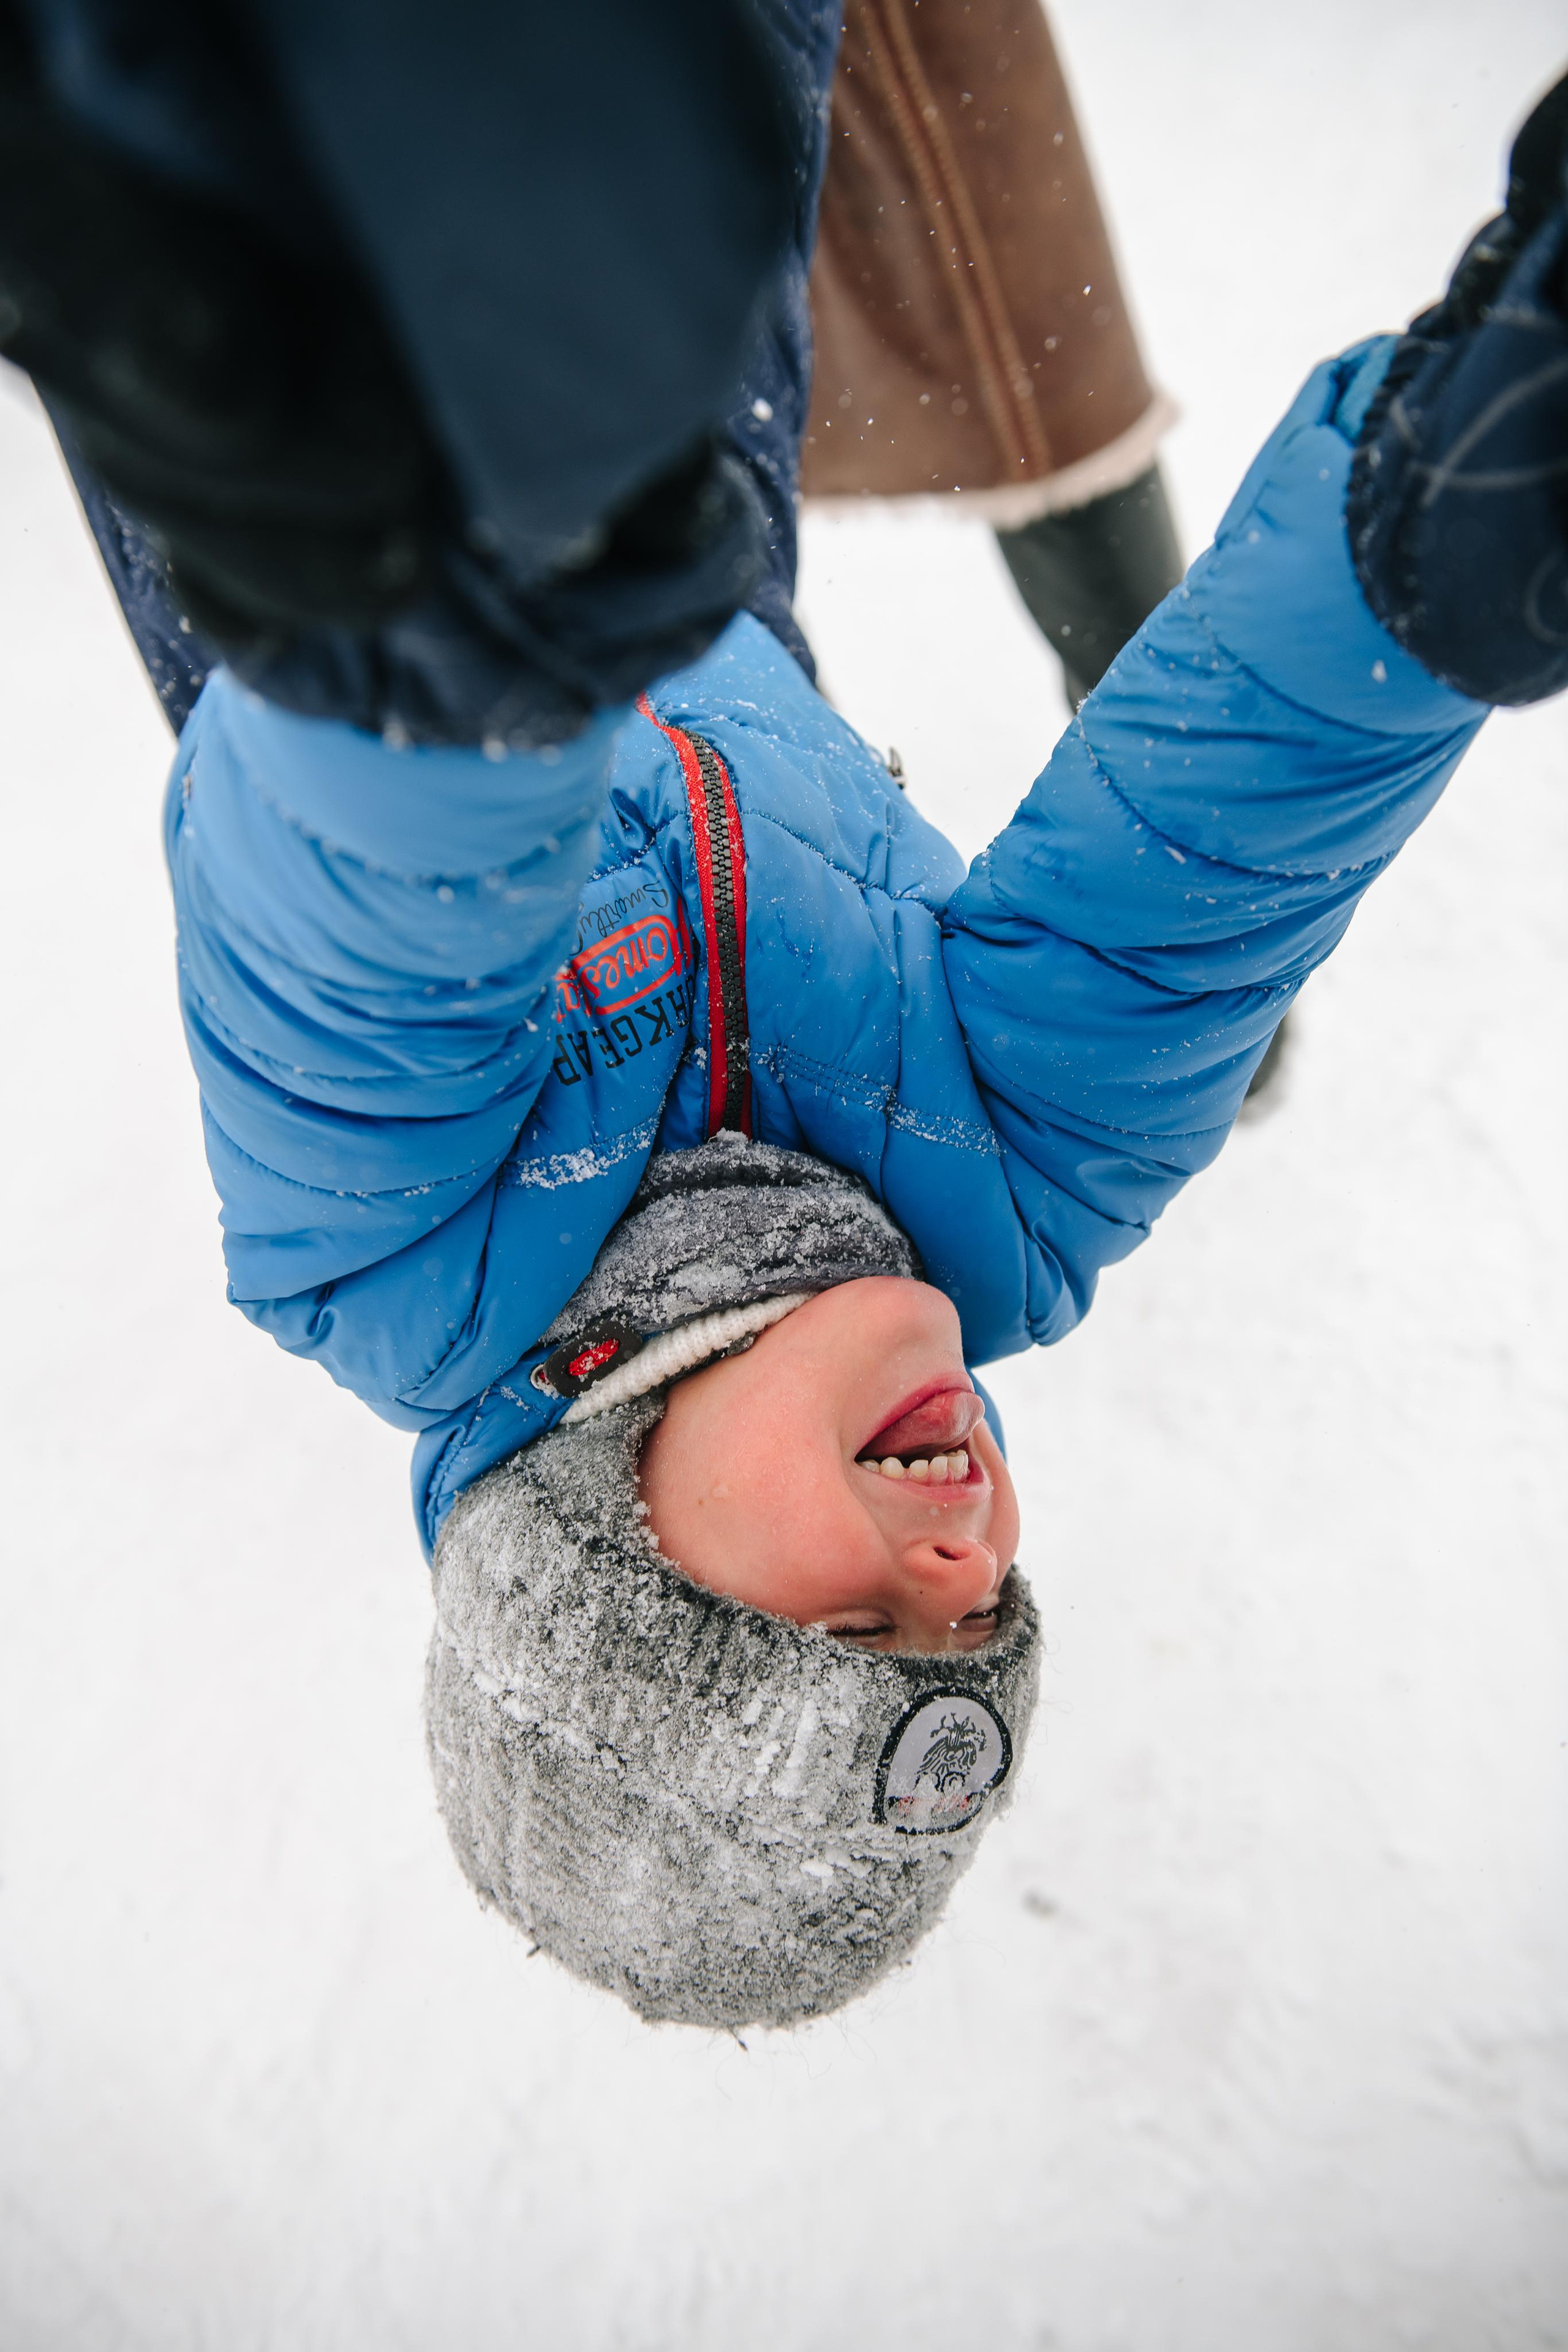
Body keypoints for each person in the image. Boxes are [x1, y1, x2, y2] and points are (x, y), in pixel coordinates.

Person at [7, 4, 1564, 2028]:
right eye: (983, 1620)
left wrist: (460, 656)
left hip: (344, 583)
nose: (954, 1564)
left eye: (838, 1624)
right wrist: (1445, 550)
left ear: (604, 1567)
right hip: (680, 525)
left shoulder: (407, 1261)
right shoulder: (1015, 1192)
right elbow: (1208, 865)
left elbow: (368, 930)